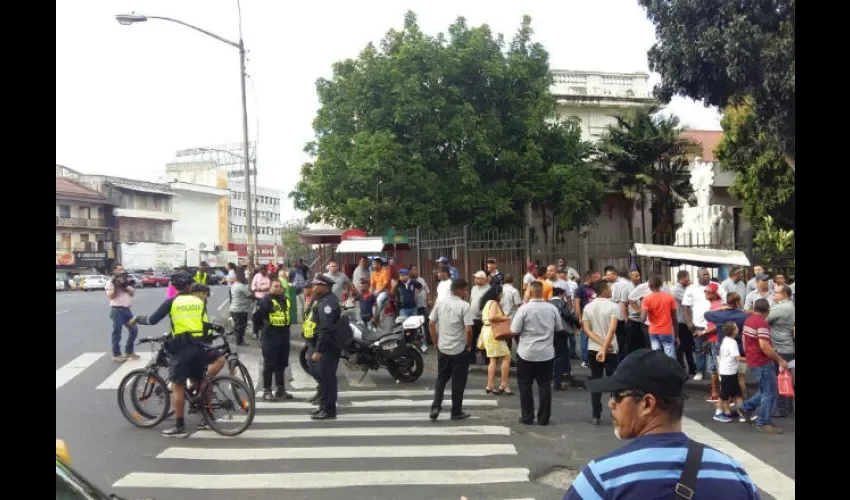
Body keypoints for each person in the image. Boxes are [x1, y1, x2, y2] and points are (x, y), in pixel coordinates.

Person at [563, 349, 760, 500]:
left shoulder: (603, 478)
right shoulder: (734, 474)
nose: (611, 403)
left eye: (617, 395)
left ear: (647, 404)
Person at [129, 271, 226, 437]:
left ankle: (179, 425)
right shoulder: (198, 302)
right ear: (189, 285)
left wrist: (137, 318)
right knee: (201, 379)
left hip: (181, 349)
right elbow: (203, 324)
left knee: (177, 386)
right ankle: (206, 415)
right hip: (199, 346)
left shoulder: (171, 302)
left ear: (174, 286)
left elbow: (152, 320)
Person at [511, 281, 563, 426]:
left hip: (526, 353)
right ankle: (543, 418)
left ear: (529, 292)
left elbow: (514, 330)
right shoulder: (551, 309)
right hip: (546, 353)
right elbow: (559, 327)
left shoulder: (524, 309)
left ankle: (527, 417)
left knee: (525, 386)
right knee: (545, 385)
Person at [738, 298, 788, 434]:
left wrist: (748, 355)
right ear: (767, 311)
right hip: (762, 362)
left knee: (767, 389)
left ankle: (746, 406)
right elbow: (764, 346)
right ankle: (763, 422)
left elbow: (744, 339)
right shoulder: (762, 324)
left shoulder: (748, 321)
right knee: (769, 393)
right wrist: (779, 360)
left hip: (753, 360)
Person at [429, 279, 474, 421]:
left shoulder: (440, 303)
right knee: (458, 381)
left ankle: (436, 406)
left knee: (441, 378)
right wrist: (468, 345)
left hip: (443, 348)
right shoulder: (464, 306)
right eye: (465, 290)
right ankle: (456, 411)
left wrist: (435, 342)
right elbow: (468, 330)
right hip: (459, 349)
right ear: (459, 290)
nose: (466, 293)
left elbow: (431, 323)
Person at [304, 274, 343, 420]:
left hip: (328, 347)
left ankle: (329, 410)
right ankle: (323, 406)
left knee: (327, 379)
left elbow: (325, 329)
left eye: (316, 285)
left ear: (324, 287)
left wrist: (319, 350)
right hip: (322, 345)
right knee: (323, 378)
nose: (313, 288)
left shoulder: (328, 304)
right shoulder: (321, 300)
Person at [581, 280, 619, 425]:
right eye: (609, 288)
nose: (611, 290)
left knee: (596, 381)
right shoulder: (613, 306)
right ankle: (616, 412)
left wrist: (601, 345)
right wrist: (606, 346)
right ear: (604, 291)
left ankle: (596, 414)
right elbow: (612, 329)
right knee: (613, 382)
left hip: (593, 349)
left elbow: (587, 330)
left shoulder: (588, 307)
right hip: (611, 349)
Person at [256, 279, 294, 401]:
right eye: (275, 286)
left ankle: (280, 389)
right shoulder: (264, 301)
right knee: (269, 364)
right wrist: (262, 330)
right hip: (270, 336)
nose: (278, 288)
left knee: (281, 364)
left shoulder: (285, 300)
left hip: (284, 335)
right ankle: (266, 390)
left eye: (279, 286)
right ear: (270, 288)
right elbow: (256, 318)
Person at [478, 286, 512, 395]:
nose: (502, 296)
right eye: (501, 294)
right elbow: (492, 317)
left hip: (487, 330)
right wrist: (505, 318)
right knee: (506, 356)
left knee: (493, 359)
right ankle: (503, 383)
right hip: (493, 332)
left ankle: (491, 385)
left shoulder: (487, 303)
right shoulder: (493, 303)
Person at [105, 264, 139, 363]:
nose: (122, 271)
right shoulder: (110, 282)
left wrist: (125, 287)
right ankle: (116, 354)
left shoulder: (126, 281)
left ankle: (129, 351)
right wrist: (117, 286)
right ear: (114, 271)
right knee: (117, 332)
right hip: (117, 310)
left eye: (122, 269)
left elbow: (132, 294)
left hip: (127, 310)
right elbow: (111, 297)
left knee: (134, 330)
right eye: (119, 270)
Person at [641, 274, 679, 359]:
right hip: (667, 331)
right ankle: (671, 371)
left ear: (650, 285)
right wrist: (676, 336)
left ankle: (658, 372)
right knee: (670, 356)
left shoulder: (646, 299)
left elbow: (643, 319)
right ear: (661, 285)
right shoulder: (669, 298)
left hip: (653, 331)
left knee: (656, 356)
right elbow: (675, 319)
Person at [714, 322, 746, 423]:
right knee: (724, 393)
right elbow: (737, 358)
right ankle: (718, 413)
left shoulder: (726, 340)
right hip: (728, 372)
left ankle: (742, 414)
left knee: (737, 393)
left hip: (728, 370)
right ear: (733, 331)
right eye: (736, 327)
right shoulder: (732, 343)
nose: (738, 328)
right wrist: (750, 359)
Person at [229, 266, 252, 345]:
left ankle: (238, 340)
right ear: (240, 277)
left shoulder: (234, 285)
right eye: (243, 276)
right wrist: (259, 298)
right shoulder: (241, 286)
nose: (245, 278)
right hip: (240, 310)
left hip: (234, 309)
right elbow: (250, 296)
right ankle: (239, 341)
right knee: (241, 326)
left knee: (238, 326)